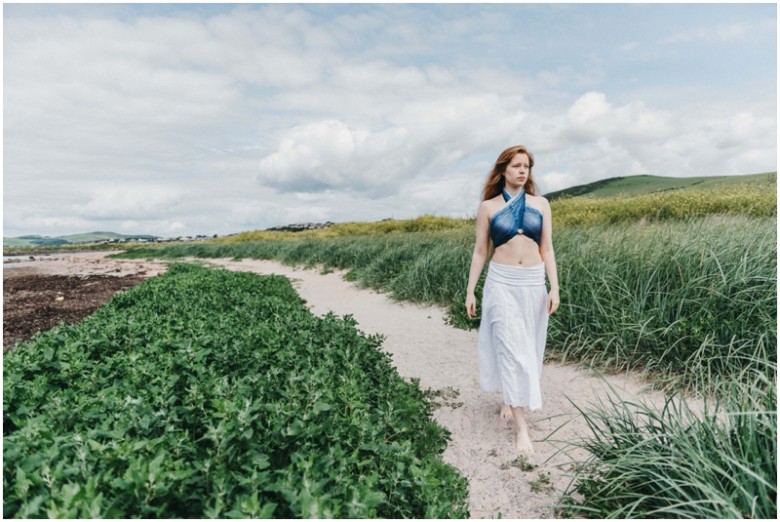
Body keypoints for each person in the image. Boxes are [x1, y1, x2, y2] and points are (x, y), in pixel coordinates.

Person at [465, 144, 560, 454]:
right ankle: (522, 430)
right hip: (501, 283)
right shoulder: (488, 208)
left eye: (527, 166)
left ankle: (510, 396)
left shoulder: (542, 204)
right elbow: (481, 251)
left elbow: (547, 249)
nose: (523, 171)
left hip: (533, 284)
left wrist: (554, 287)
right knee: (510, 347)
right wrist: (470, 290)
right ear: (503, 169)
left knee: (528, 347)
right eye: (517, 165)